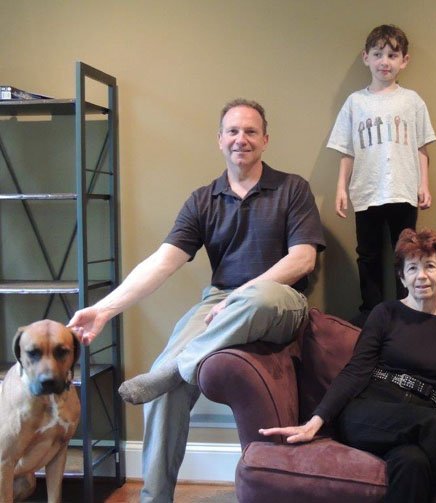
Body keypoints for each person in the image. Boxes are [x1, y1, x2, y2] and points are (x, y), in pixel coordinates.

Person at [68, 98, 326, 502]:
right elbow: (161, 263)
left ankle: (179, 367)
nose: (242, 139)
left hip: (280, 301)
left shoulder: (292, 188)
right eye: (233, 131)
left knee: (253, 302)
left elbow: (303, 258)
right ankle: (155, 496)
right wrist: (103, 309)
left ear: (265, 140)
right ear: (220, 140)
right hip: (220, 301)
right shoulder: (203, 200)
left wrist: (243, 295)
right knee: (162, 385)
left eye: (251, 131)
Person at [260, 229, 436, 503]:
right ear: (402, 277)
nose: (421, 276)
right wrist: (315, 421)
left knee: (413, 463)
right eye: (412, 268)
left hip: (420, 418)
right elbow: (356, 370)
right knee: (434, 423)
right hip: (368, 412)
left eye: (430, 266)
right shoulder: (385, 313)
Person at [327, 24, 436, 325]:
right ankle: (371, 312)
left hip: (404, 188)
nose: (384, 61)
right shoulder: (355, 102)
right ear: (366, 58)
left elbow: (421, 148)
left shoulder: (412, 100)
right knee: (369, 255)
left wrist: (423, 183)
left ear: (404, 60)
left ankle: (408, 307)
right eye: (378, 54)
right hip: (367, 191)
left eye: (392, 54)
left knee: (406, 253)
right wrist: (341, 188)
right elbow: (346, 150)